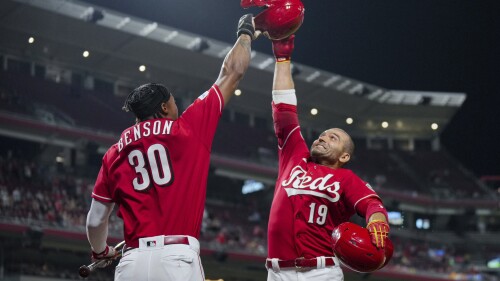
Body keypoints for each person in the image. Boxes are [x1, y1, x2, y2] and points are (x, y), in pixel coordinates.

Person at [85, 14, 259, 281]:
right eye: (175, 103)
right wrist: (245, 32)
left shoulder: (114, 152)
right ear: (165, 107)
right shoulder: (187, 128)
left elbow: (96, 221)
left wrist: (100, 252)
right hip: (176, 257)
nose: (178, 107)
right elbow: (232, 72)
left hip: (131, 263)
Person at [265, 34, 390, 281]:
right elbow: (283, 110)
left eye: (332, 138)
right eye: (322, 135)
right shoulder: (294, 156)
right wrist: (282, 58)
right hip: (277, 273)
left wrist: (377, 221)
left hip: (320, 272)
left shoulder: (345, 178)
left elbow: (372, 205)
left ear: (344, 156)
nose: (322, 138)